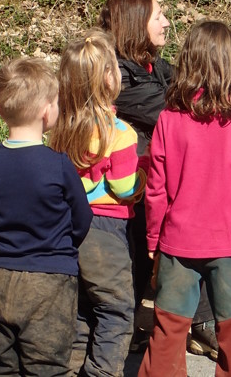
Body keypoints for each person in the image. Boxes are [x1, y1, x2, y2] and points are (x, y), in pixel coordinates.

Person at [97, 0, 231, 358]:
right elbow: (189, 105)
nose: (165, 22)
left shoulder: (158, 68)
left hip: (167, 198)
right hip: (131, 191)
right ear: (135, 23)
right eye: (158, 14)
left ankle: (200, 325)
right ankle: (124, 326)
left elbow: (201, 85)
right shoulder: (118, 76)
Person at [138, 21, 231, 376]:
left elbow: (156, 189)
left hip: (177, 244)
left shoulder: (169, 119)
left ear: (188, 64)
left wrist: (154, 239)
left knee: (167, 335)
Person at [0, 57, 94, 376]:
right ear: (47, 110)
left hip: (2, 274)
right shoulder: (58, 164)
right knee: (46, 365)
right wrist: (62, 245)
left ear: (0, 109)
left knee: (5, 361)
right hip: (51, 277)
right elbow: (82, 218)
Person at [49, 28, 148, 377]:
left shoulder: (62, 127)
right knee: (117, 309)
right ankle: (102, 372)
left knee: (81, 307)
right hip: (106, 230)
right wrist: (143, 178)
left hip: (68, 227)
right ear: (108, 79)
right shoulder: (121, 133)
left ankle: (73, 367)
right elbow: (122, 187)